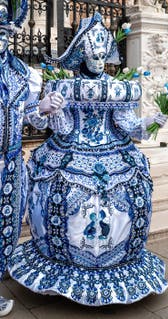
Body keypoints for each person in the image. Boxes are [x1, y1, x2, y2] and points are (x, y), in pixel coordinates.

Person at [9, 12, 168, 306]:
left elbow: (128, 125)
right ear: (82, 54)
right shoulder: (65, 88)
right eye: (91, 54)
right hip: (70, 154)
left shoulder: (115, 90)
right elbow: (66, 129)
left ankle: (118, 258)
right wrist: (54, 110)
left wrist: (152, 121)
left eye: (100, 54)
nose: (97, 60)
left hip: (116, 153)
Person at [0, 1, 63, 316]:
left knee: (7, 223)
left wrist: (43, 107)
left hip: (10, 162)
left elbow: (31, 118)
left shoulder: (21, 73)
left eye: (3, 31)